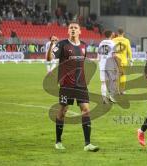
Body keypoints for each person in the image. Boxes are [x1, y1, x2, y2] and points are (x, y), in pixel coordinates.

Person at [47, 21, 99, 152]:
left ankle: (87, 144)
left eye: (76, 28)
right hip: (66, 85)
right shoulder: (62, 44)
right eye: (71, 28)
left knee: (86, 110)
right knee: (62, 111)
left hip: (81, 84)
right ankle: (58, 141)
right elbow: (49, 58)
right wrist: (51, 45)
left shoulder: (84, 46)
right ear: (68, 31)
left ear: (80, 31)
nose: (73, 29)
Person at [97, 30, 119, 104]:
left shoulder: (101, 43)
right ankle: (111, 97)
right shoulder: (113, 43)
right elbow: (114, 55)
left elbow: (99, 56)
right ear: (111, 34)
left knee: (103, 82)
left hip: (102, 65)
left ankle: (104, 98)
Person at [112, 28, 133, 95]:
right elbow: (129, 51)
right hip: (123, 61)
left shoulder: (113, 40)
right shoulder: (126, 40)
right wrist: (131, 60)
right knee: (123, 76)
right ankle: (122, 91)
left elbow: (111, 51)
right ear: (123, 33)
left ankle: (116, 90)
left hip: (115, 61)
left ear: (117, 33)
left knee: (115, 76)